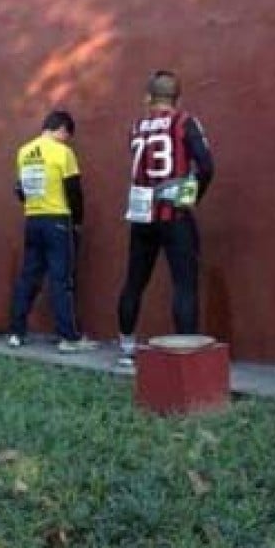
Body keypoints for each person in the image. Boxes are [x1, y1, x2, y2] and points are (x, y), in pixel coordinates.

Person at [116, 70, 215, 368]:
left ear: (148, 97)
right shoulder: (185, 122)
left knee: (134, 280)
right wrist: (192, 195)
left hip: (142, 212)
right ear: (177, 98)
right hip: (175, 212)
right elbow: (207, 166)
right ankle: (185, 349)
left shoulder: (136, 126)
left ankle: (126, 346)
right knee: (184, 283)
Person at [8, 111, 97, 352]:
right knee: (61, 280)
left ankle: (16, 331)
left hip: (32, 219)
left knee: (28, 277)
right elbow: (74, 190)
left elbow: (20, 190)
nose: (66, 140)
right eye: (66, 135)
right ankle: (68, 337)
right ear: (61, 129)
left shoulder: (24, 152)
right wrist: (77, 221)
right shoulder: (63, 153)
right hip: (57, 219)